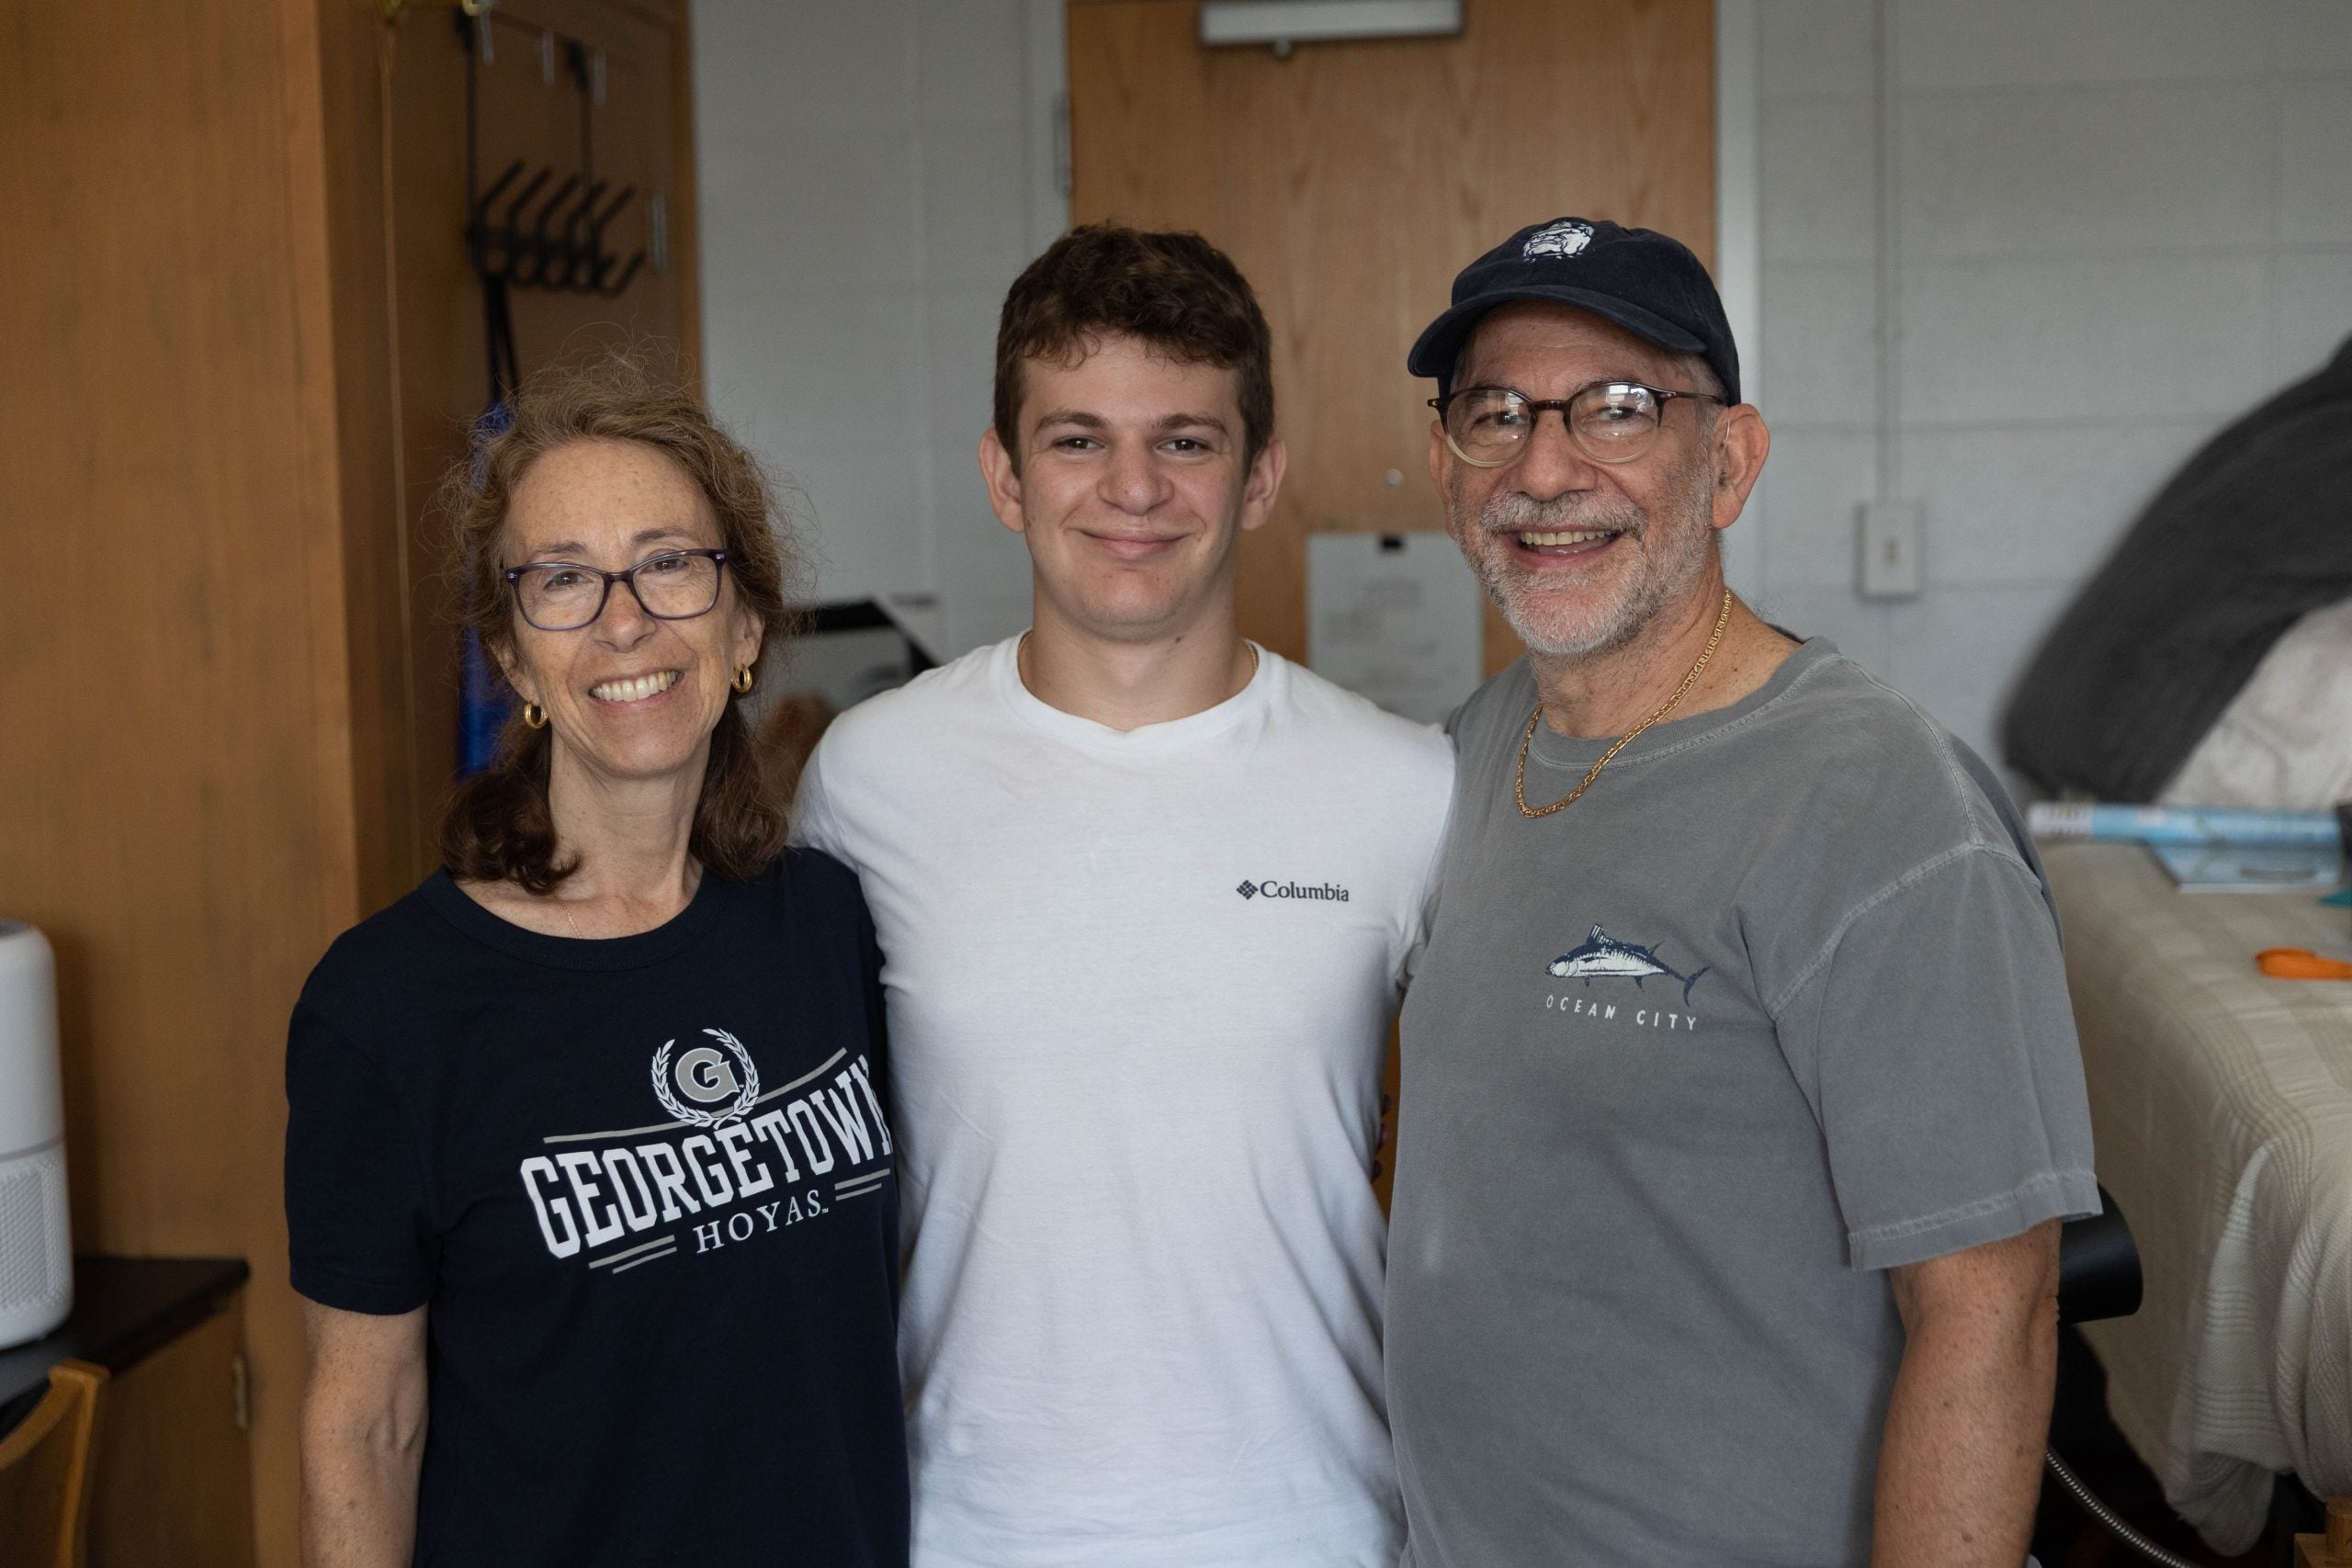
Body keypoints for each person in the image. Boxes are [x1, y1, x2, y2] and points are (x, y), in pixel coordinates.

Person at [1384, 218, 2098, 1567]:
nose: (1546, 469)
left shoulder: (1880, 805)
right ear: (1446, 464)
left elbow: (1992, 1316)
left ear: (1730, 461)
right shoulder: (1478, 749)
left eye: (1619, 408)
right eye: (1498, 414)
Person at [791, 225, 1453, 1565]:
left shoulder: (1405, 789)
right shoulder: (871, 779)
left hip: (1316, 1527)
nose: (1132, 489)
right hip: (963, 1530)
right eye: (1078, 438)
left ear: (1261, 473)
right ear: (1004, 473)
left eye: (1187, 441)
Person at [286, 361, 909, 1567]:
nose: (623, 620)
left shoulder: (828, 928)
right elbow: (366, 1427)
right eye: (563, 579)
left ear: (743, 627)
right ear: (515, 662)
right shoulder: (389, 1007)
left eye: (670, 562)